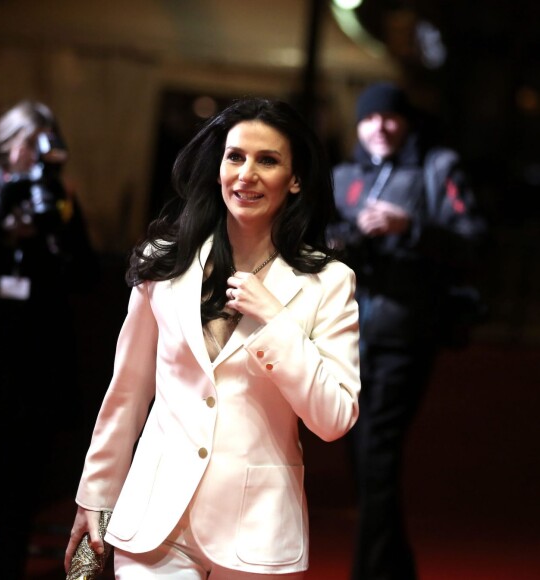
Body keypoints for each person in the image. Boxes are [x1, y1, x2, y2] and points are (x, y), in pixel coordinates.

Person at [64, 97, 361, 579]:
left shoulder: (329, 282)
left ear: (296, 178)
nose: (247, 173)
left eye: (268, 160)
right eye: (235, 156)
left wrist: (275, 319)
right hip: (155, 522)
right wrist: (95, 496)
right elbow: (128, 392)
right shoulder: (165, 261)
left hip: (257, 533)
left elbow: (334, 417)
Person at [327, 82, 487, 580]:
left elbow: (475, 241)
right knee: (363, 459)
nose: (380, 126)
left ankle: (368, 572)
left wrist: (409, 227)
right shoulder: (344, 177)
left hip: (407, 332)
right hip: (349, 334)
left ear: (408, 122)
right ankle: (395, 569)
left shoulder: (438, 168)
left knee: (377, 456)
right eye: (369, 118)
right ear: (358, 125)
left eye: (391, 117)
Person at [0, 100, 97, 579]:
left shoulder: (55, 199)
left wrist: (60, 215)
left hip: (33, 375)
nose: (34, 158)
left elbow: (85, 274)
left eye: (44, 147)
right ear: (5, 144)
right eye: (27, 145)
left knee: (18, 508)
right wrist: (4, 203)